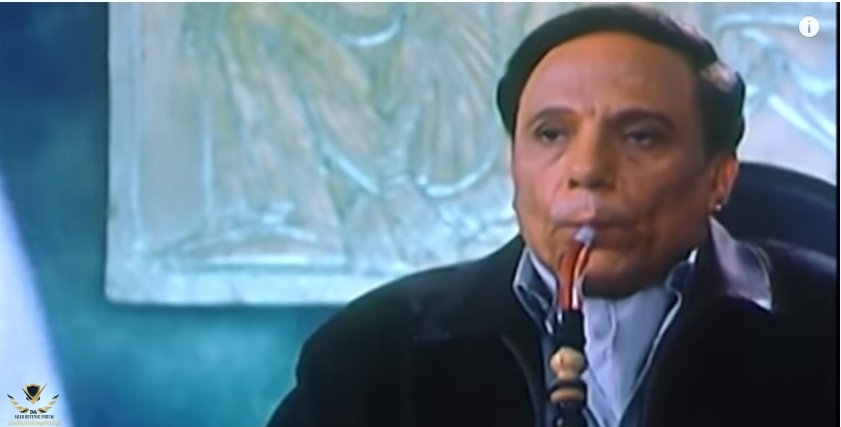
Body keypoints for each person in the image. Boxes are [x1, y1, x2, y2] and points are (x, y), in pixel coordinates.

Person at [268, 5, 837, 427]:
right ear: (513, 164)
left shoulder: (825, 327)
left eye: (641, 136)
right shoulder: (376, 351)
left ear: (719, 177)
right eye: (550, 134)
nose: (586, 169)